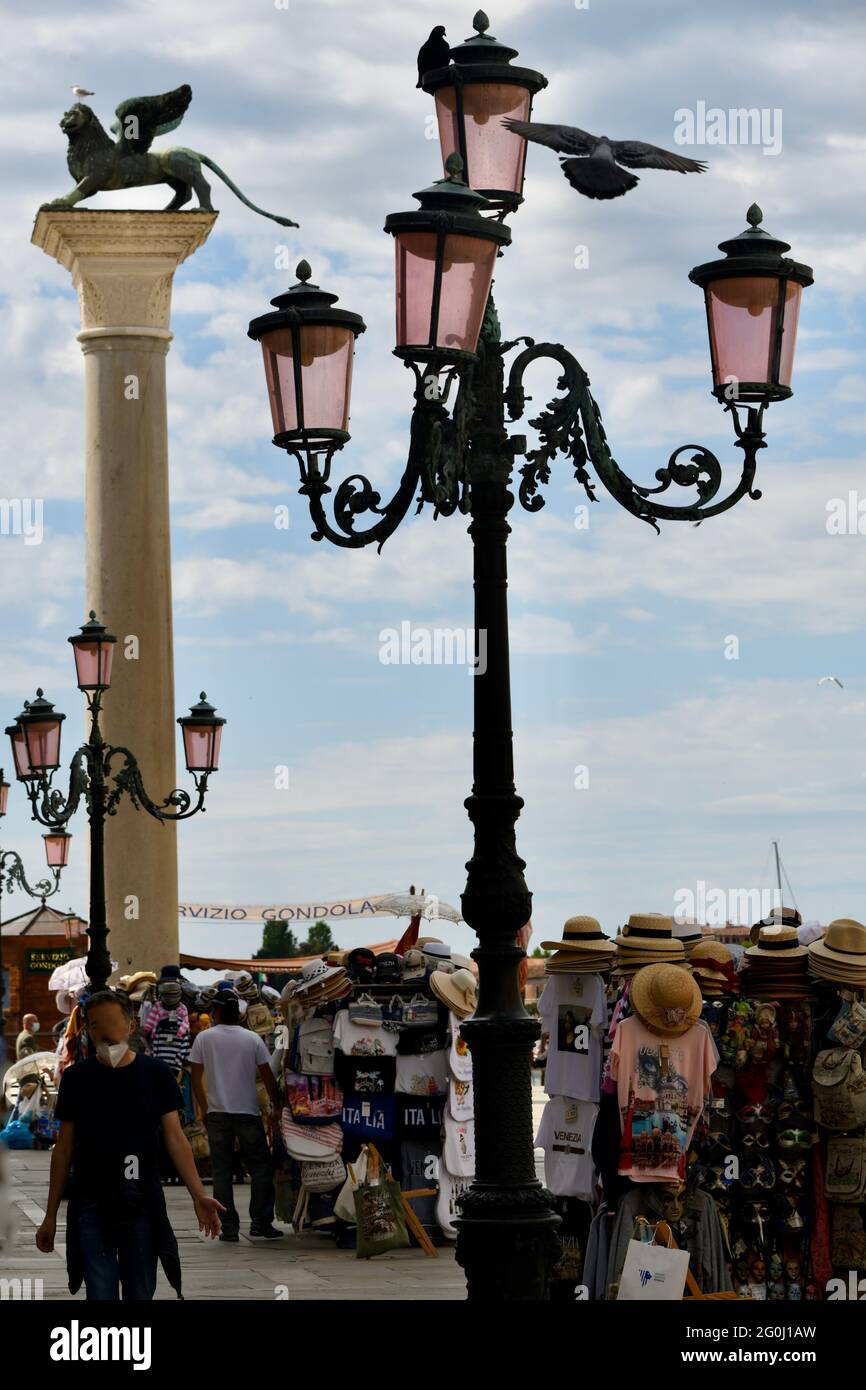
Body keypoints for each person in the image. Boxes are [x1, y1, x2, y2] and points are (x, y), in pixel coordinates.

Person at [35, 989, 223, 1300]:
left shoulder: (155, 1074)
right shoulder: (77, 1078)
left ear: (131, 1026)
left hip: (141, 1202)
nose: (105, 1032)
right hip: (91, 1203)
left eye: (111, 1022)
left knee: (139, 1290)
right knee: (100, 1291)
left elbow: (175, 1138)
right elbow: (64, 1147)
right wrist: (51, 1214)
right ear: (87, 1031)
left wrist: (199, 1194)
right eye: (95, 1025)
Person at [189, 990, 283, 1241]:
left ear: (216, 1011)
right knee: (261, 1168)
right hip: (247, 1112)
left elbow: (195, 1077)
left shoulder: (204, 1038)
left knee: (222, 1171)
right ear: (239, 1013)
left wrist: (204, 1108)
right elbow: (267, 1076)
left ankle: (228, 1227)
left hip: (217, 1113)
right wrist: (277, 1106)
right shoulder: (252, 1039)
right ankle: (261, 1222)